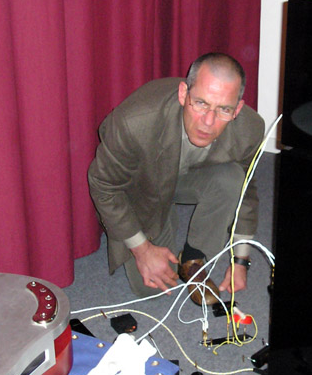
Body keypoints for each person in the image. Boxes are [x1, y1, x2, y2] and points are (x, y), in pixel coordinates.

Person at [88, 52, 265, 305]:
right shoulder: (134, 122)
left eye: (224, 109)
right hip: (143, 183)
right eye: (201, 103)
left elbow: (247, 191)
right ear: (183, 94)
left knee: (234, 179)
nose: (208, 122)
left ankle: (193, 258)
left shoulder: (250, 129)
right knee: (151, 288)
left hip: (189, 173)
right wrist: (142, 249)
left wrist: (241, 260)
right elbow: (104, 186)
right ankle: (159, 219)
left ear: (237, 109)